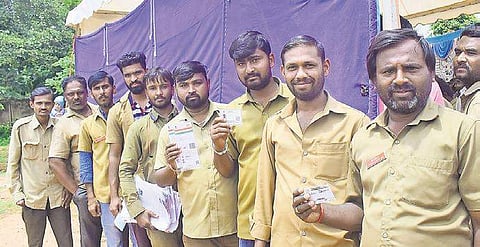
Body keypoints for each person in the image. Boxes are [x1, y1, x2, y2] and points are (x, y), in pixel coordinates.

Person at [293, 29, 480, 246]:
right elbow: (359, 212)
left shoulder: (463, 131)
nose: (400, 79)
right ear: (373, 79)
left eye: (411, 68)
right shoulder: (363, 138)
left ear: (431, 72)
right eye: (388, 71)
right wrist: (320, 212)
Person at [251, 35, 369, 247]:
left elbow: (365, 200)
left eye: (309, 65)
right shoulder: (274, 125)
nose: (301, 74)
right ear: (283, 72)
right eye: (293, 67)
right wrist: (260, 242)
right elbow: (264, 191)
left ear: (325, 67)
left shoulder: (355, 124)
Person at [209, 30, 292, 247]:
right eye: (241, 63)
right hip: (251, 224)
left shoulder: (296, 102)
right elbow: (227, 170)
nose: (249, 69)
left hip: (295, 220)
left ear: (271, 60)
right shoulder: (231, 112)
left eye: (255, 60)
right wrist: (218, 147)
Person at [152, 61, 238, 247]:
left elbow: (232, 170)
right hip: (196, 230)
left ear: (208, 83)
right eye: (184, 85)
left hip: (235, 225)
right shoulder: (170, 130)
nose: (191, 90)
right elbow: (161, 179)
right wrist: (171, 167)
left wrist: (220, 146)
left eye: (196, 83)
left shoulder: (229, 117)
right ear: (175, 89)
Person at [119, 66, 183, 246]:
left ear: (173, 88)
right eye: (153, 88)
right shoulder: (139, 128)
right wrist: (136, 209)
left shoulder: (187, 121)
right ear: (146, 92)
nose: (159, 92)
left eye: (164, 86)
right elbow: (125, 170)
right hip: (159, 207)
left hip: (192, 203)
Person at [7, 86, 73, 247]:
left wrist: (69, 187)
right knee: (35, 243)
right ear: (31, 104)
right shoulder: (21, 128)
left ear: (53, 105)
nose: (43, 107)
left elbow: (69, 160)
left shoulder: (61, 126)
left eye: (47, 103)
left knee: (66, 243)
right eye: (39, 103)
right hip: (32, 198)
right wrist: (17, 193)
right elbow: (13, 163)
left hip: (59, 198)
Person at [49, 75, 103, 247]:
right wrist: (76, 192)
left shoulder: (101, 111)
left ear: (87, 93)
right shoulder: (63, 124)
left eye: (80, 92)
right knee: (90, 238)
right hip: (86, 190)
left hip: (110, 186)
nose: (76, 97)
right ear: (65, 97)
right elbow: (55, 161)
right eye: (71, 94)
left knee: (117, 231)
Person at [78, 71, 129, 247]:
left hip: (133, 190)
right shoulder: (87, 124)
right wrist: (91, 197)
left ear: (114, 88)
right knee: (115, 242)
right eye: (97, 88)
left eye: (105, 87)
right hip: (106, 194)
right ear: (91, 93)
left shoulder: (127, 116)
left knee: (140, 241)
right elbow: (85, 161)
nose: (102, 92)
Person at [107, 51, 152, 246]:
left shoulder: (164, 101)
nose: (133, 79)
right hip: (135, 187)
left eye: (137, 72)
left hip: (165, 183)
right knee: (142, 241)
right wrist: (115, 194)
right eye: (128, 75)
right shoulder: (118, 111)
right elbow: (114, 156)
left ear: (146, 71)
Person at [453, 24, 480, 118]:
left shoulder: (477, 103)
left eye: (471, 53)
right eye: (457, 52)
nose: (460, 59)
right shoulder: (465, 93)